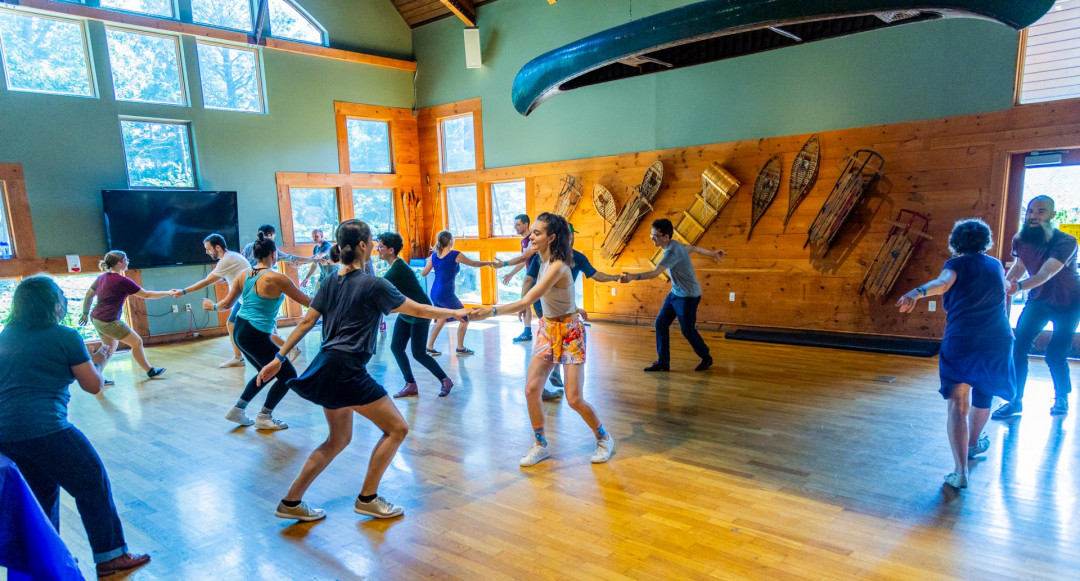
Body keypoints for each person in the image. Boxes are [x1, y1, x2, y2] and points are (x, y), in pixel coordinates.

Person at [259, 220, 468, 522]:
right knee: (397, 429)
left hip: (325, 364)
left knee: (337, 439)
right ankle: (368, 498)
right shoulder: (374, 284)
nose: (373, 246)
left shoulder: (330, 282)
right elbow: (419, 309)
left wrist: (279, 357)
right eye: (370, 241)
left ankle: (291, 502)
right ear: (361, 245)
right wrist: (455, 311)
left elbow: (306, 322)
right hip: (348, 369)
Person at [0, 277, 150, 577]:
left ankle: (45, 561)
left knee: (41, 494)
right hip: (48, 428)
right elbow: (93, 385)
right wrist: (99, 359)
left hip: (5, 433)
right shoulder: (65, 336)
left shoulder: (6, 335)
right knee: (92, 483)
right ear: (54, 304)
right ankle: (111, 557)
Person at [471, 213, 614, 467]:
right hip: (548, 329)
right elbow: (523, 262)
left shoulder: (559, 265)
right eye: (532, 232)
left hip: (570, 332)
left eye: (537, 233)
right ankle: (540, 445)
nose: (531, 237)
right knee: (531, 390)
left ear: (552, 237)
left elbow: (527, 300)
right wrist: (502, 265)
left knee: (574, 399)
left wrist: (489, 312)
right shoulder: (540, 257)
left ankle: (604, 438)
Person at [897, 218, 1014, 490]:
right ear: (985, 240)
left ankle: (961, 473)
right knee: (985, 393)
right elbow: (1004, 288)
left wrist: (917, 292)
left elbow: (943, 283)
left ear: (955, 241)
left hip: (964, 339)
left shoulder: (955, 265)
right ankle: (973, 444)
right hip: (997, 338)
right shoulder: (995, 264)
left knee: (958, 405)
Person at [498, 223, 621, 399]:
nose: (572, 238)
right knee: (549, 340)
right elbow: (528, 279)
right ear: (561, 238)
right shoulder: (544, 257)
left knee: (555, 338)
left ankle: (551, 376)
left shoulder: (577, 257)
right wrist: (523, 304)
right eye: (569, 235)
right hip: (544, 303)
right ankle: (541, 385)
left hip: (561, 304)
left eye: (573, 235)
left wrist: (615, 277)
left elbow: (596, 275)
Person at [207, 232, 312, 430]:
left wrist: (211, 307)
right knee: (288, 376)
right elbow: (307, 302)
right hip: (255, 334)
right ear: (273, 254)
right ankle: (264, 416)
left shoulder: (244, 274)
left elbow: (227, 304)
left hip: (240, 330)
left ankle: (238, 409)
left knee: (266, 372)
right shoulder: (277, 278)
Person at [993, 195, 1079, 418]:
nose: (1033, 216)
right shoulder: (1020, 239)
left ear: (1052, 215)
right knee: (1018, 347)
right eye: (1030, 211)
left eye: (1041, 211)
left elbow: (1046, 273)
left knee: (1055, 355)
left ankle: (1062, 398)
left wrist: (1018, 286)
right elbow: (1020, 265)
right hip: (1038, 301)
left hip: (1069, 303)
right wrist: (1004, 286)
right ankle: (1015, 400)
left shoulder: (1066, 241)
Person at [172, 234, 299, 368]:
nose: (207, 252)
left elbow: (206, 281)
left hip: (248, 299)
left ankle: (290, 348)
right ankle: (238, 358)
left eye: (208, 249)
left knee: (255, 331)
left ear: (218, 247)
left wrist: (183, 291)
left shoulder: (227, 260)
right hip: (243, 298)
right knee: (233, 325)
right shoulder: (232, 256)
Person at [619, 218, 724, 372]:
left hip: (688, 296)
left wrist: (632, 277)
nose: (652, 238)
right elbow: (693, 248)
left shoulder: (672, 252)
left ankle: (706, 357)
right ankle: (663, 362)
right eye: (651, 235)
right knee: (661, 323)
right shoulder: (675, 245)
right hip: (675, 293)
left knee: (687, 330)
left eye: (655, 236)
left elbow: (655, 273)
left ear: (666, 236)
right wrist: (713, 254)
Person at [376, 232, 454, 398]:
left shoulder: (398, 269)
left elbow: (376, 287)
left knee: (418, 353)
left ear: (390, 250)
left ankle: (445, 380)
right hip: (407, 311)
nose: (377, 249)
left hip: (420, 312)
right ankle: (410, 384)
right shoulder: (395, 267)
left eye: (380, 246)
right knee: (396, 347)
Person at [78, 251, 169, 382]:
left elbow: (88, 295)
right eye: (126, 259)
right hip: (108, 321)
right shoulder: (122, 281)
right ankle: (150, 370)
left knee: (109, 348)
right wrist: (169, 293)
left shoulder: (102, 277)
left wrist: (85, 314)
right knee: (137, 342)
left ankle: (96, 376)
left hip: (96, 318)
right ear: (119, 263)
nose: (128, 261)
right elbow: (147, 295)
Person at [423, 231, 496, 356]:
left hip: (434, 292)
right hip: (446, 293)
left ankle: (429, 347)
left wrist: (434, 265)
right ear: (450, 241)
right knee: (465, 318)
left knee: (441, 320)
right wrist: (489, 263)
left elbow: (424, 273)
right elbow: (474, 263)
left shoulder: (434, 256)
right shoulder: (455, 254)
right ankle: (460, 348)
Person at [500, 214, 534, 343]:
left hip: (537, 276)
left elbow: (524, 258)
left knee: (528, 303)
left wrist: (505, 263)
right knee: (525, 303)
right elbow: (523, 260)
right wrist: (511, 274)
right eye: (515, 225)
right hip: (529, 276)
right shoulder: (523, 241)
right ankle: (527, 331)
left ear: (526, 224)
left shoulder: (533, 239)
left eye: (518, 224)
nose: (515, 227)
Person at [240, 224, 314, 270]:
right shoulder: (272, 249)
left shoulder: (248, 246)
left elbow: (241, 263)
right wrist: (315, 260)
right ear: (269, 235)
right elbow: (291, 258)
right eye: (274, 236)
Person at [300, 228, 337, 295]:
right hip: (323, 275)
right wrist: (306, 278)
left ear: (322, 236)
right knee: (316, 295)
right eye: (313, 236)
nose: (314, 238)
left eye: (316, 236)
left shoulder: (327, 246)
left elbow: (318, 256)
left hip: (333, 276)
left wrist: (303, 262)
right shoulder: (315, 248)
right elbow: (314, 264)